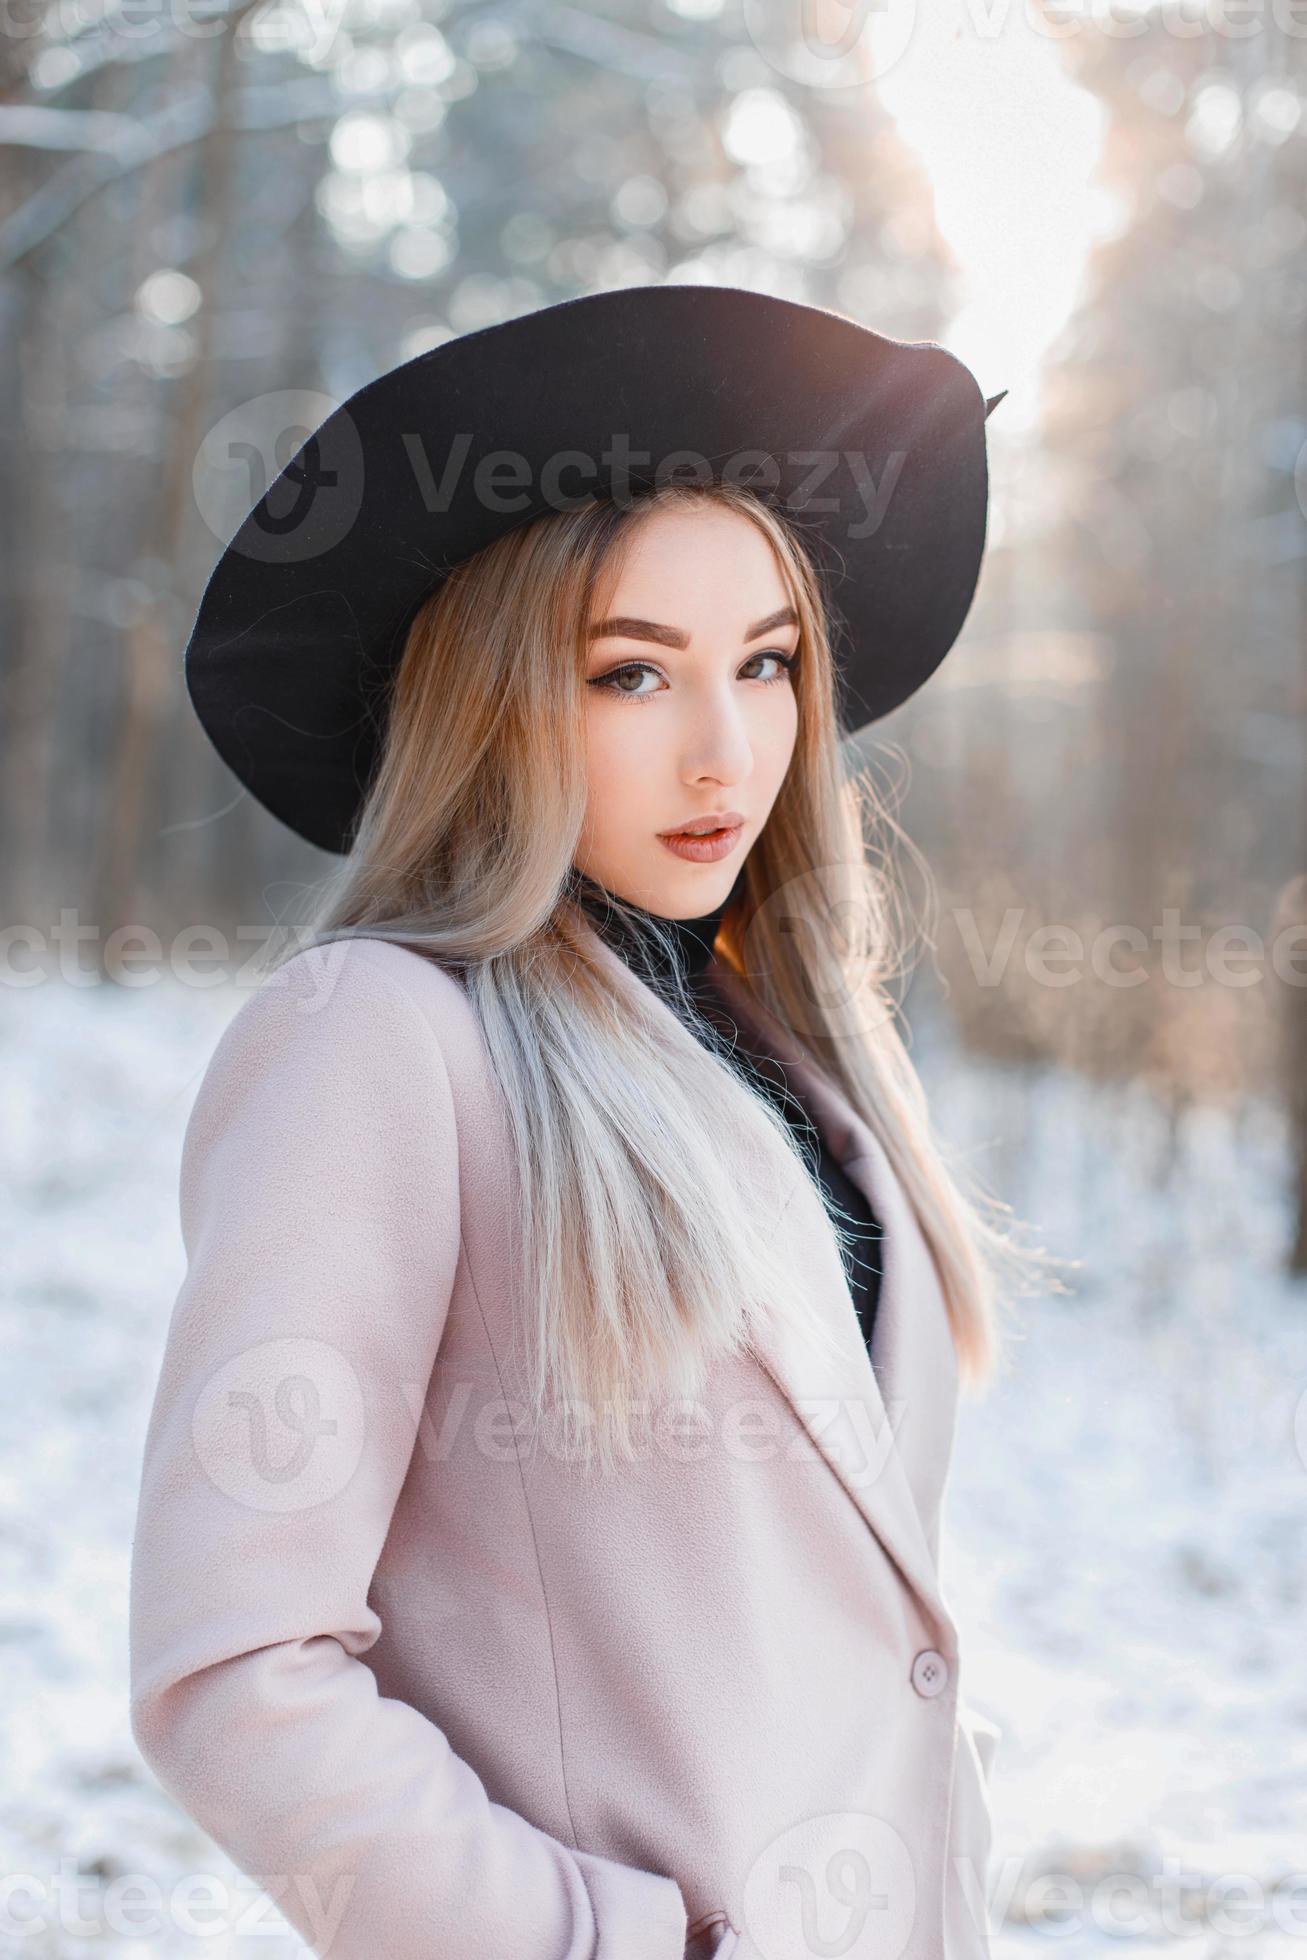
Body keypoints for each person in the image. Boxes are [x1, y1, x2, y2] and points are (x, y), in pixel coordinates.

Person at [129, 285, 1034, 1959]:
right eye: (632, 675)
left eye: (766, 664)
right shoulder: (378, 1044)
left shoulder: (782, 1050)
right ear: (494, 702)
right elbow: (232, 1667)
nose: (725, 749)